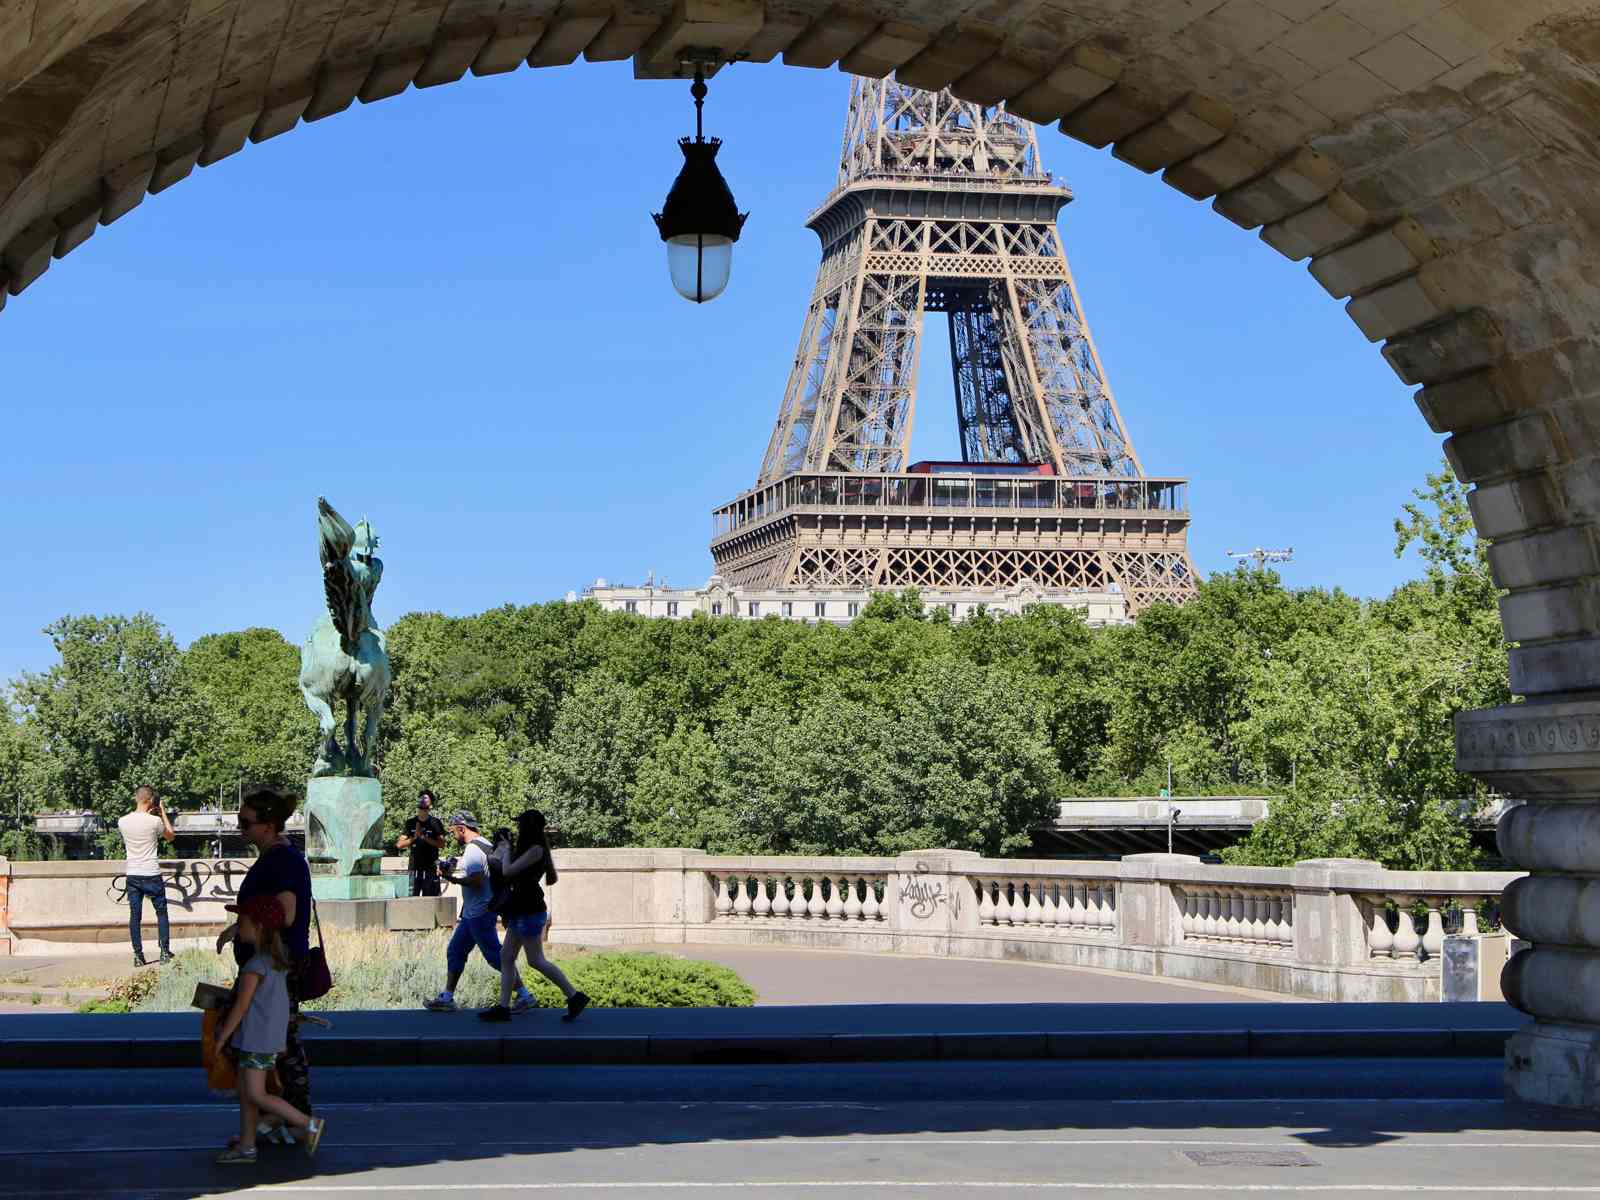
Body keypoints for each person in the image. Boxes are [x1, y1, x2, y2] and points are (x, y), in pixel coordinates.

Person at [215, 785, 316, 1127]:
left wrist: (248, 925)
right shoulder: (276, 857)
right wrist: (238, 929)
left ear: (268, 825)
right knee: (276, 1041)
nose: (240, 829)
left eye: (246, 823)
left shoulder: (283, 861)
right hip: (272, 961)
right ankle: (273, 1116)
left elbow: (284, 914)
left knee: (277, 1043)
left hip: (277, 965)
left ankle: (293, 1118)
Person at [211, 894, 327, 1164]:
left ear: (259, 927)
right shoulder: (276, 964)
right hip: (263, 1039)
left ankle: (308, 1124)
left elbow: (240, 1008)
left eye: (242, 921)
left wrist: (220, 1040)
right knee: (246, 1092)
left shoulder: (254, 968)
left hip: (255, 1041)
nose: (239, 926)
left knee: (254, 1094)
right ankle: (247, 1145)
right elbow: (278, 1008)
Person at [479, 809, 588, 1023]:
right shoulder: (528, 849)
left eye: (520, 824)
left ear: (528, 827)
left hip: (530, 910)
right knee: (506, 957)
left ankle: (574, 996)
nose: (517, 828)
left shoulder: (535, 850)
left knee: (535, 960)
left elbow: (508, 871)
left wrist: (508, 848)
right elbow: (502, 869)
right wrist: (504, 849)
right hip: (522, 909)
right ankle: (503, 1008)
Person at [423, 811, 536, 1013]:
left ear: (462, 828)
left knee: (496, 956)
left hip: (481, 913)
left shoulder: (473, 851)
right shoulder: (483, 844)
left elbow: (476, 881)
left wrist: (453, 879)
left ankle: (525, 995)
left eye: (453, 831)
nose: (452, 835)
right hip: (472, 914)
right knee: (456, 951)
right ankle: (447, 997)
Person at [118, 786, 174, 966]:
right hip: (151, 873)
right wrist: (163, 812)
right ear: (151, 801)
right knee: (161, 912)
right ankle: (164, 952)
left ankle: (138, 956)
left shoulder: (122, 821)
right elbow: (171, 836)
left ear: (137, 798)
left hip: (133, 874)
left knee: (135, 916)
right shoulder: (154, 821)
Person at [396, 790, 446, 897]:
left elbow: (442, 844)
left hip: (431, 869)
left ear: (431, 804)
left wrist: (424, 837)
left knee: (431, 902)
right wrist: (414, 837)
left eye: (426, 798)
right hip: (414, 868)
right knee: (411, 901)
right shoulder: (410, 823)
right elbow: (399, 845)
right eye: (421, 798)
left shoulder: (436, 823)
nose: (423, 800)